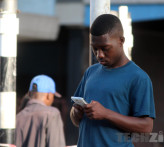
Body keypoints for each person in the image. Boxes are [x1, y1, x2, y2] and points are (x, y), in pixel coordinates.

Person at [70, 14, 156, 147]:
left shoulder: (138, 77)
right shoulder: (90, 72)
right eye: (95, 48)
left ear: (121, 41)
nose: (99, 55)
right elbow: (76, 120)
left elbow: (146, 128)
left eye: (105, 48)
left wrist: (106, 114)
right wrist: (76, 113)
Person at [15, 75, 66, 147]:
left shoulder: (18, 117)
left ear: (29, 94)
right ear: (49, 95)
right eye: (53, 96)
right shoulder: (52, 114)